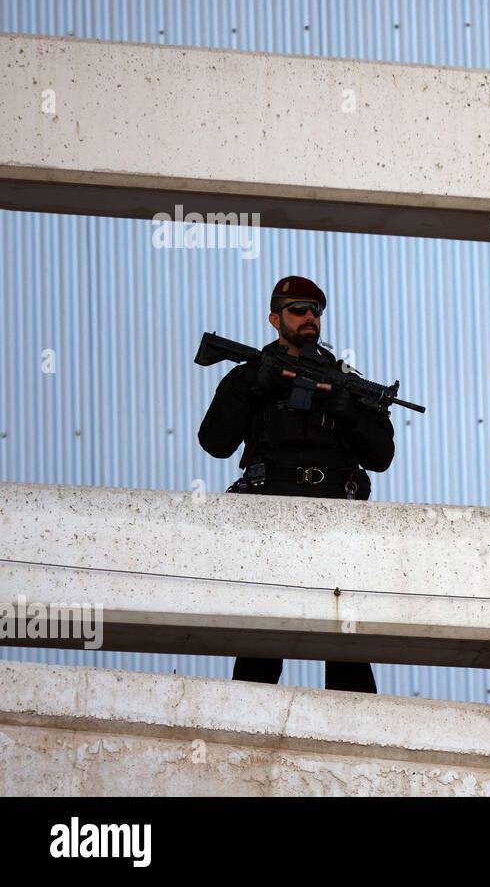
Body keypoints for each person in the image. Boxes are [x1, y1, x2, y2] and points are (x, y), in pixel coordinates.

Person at [198, 275, 394, 693]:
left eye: (315, 311)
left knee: (345, 636)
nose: (309, 318)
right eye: (298, 310)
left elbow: (381, 458)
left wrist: (352, 414)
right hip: (270, 517)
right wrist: (253, 385)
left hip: (335, 521)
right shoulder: (251, 375)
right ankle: (250, 723)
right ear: (275, 318)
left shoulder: (344, 380)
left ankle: (352, 730)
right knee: (265, 635)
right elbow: (214, 443)